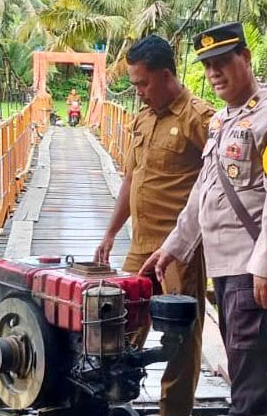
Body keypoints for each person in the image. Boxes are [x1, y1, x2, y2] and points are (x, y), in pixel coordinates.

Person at [141, 21, 267, 416]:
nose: (214, 73)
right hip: (226, 269)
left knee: (250, 385)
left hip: (252, 272)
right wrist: (173, 249)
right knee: (242, 370)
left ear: (245, 59)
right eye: (207, 65)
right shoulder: (220, 121)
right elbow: (203, 193)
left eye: (222, 62)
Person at [94, 34, 214, 416]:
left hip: (181, 249)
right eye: (134, 85)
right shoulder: (142, 119)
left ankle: (173, 412)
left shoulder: (199, 117)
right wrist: (111, 233)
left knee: (181, 336)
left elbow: (225, 176)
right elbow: (132, 179)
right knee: (119, 323)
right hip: (141, 243)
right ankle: (113, 396)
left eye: (143, 83)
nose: (139, 92)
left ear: (166, 76)